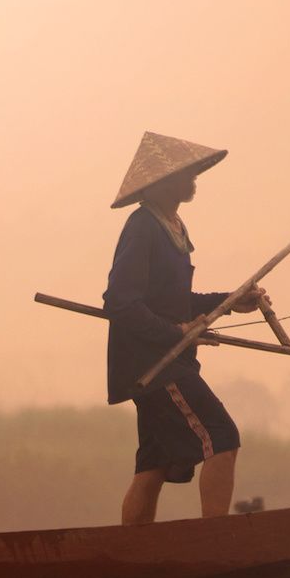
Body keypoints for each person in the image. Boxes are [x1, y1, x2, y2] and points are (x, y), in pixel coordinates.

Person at [101, 132, 268, 524]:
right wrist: (177, 333)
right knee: (222, 436)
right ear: (162, 182)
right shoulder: (142, 226)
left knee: (154, 463)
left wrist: (229, 301)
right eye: (185, 175)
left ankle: (132, 555)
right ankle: (214, 539)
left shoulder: (173, 226)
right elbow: (121, 302)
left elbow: (176, 301)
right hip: (156, 365)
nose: (193, 181)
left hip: (169, 357)